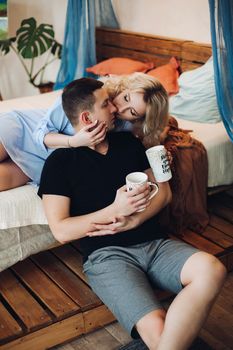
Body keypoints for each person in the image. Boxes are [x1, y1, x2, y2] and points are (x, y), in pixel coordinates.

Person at [38, 78, 226, 350]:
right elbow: (61, 230)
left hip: (156, 244)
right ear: (87, 116)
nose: (114, 108)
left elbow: (164, 193)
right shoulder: (59, 162)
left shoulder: (128, 144)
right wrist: (115, 210)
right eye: (106, 104)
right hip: (107, 256)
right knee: (161, 333)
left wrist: (134, 219)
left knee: (212, 269)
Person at [0, 73, 168, 191]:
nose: (119, 108)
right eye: (126, 98)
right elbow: (40, 134)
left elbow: (151, 140)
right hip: (23, 129)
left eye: (132, 112)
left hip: (42, 161)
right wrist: (73, 142)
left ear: (138, 119)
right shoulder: (84, 93)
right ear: (124, 88)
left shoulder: (128, 127)